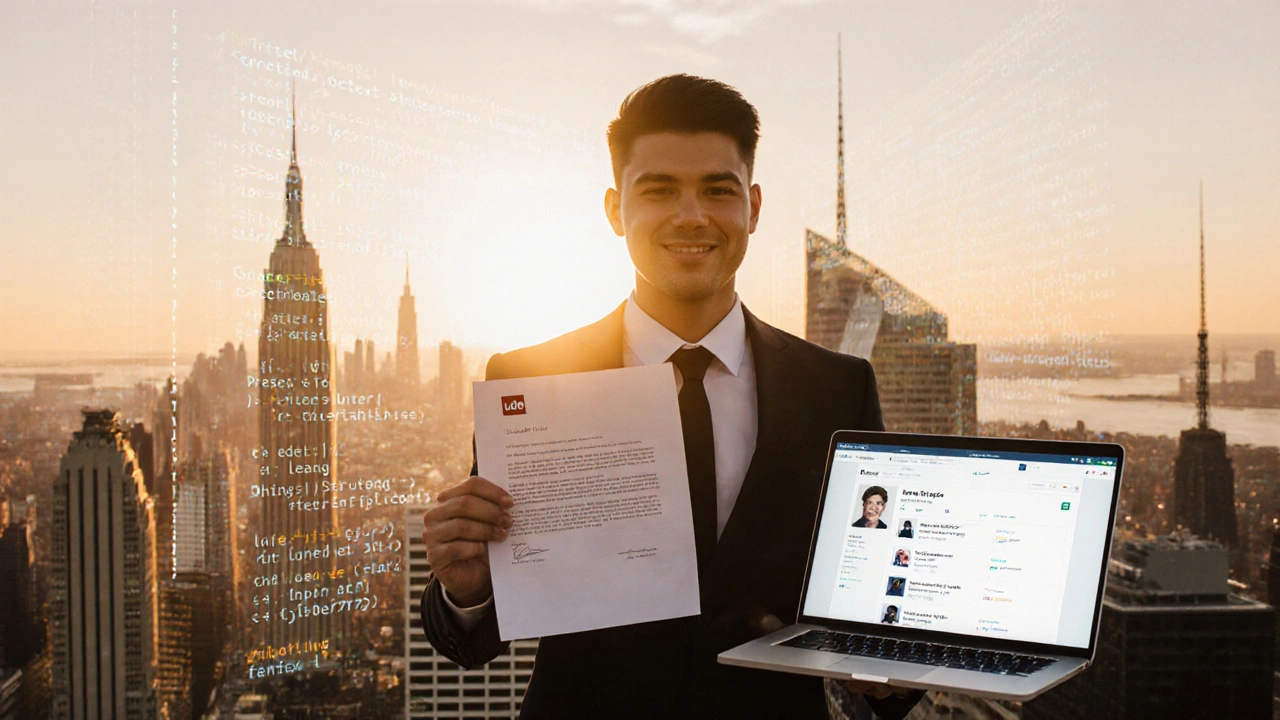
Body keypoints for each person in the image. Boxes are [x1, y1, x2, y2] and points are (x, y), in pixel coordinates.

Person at [419, 75, 921, 720]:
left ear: (754, 207)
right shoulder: (531, 377)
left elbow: (877, 597)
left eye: (718, 189)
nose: (691, 216)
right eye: (659, 190)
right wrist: (468, 591)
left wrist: (894, 662)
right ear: (614, 210)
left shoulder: (837, 388)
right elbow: (471, 641)